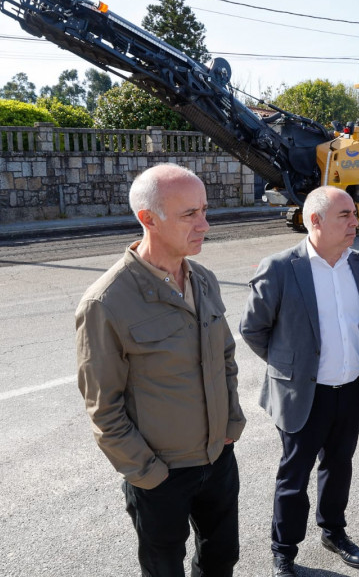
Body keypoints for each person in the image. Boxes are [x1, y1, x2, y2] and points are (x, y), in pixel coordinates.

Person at [75, 164, 245, 577]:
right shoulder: (106, 302)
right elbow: (103, 407)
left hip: (218, 458)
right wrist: (148, 473)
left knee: (221, 559)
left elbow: (224, 356)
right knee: (163, 568)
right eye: (190, 214)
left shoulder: (203, 279)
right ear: (148, 218)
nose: (205, 224)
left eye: (205, 210)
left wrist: (231, 423)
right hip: (160, 473)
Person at [239, 186, 359, 577]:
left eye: (354, 214)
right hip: (304, 392)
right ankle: (283, 549)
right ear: (315, 221)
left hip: (351, 388)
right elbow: (253, 329)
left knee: (339, 466)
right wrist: (290, 367)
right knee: (294, 474)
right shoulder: (282, 267)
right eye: (345, 215)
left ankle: (333, 531)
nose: (356, 221)